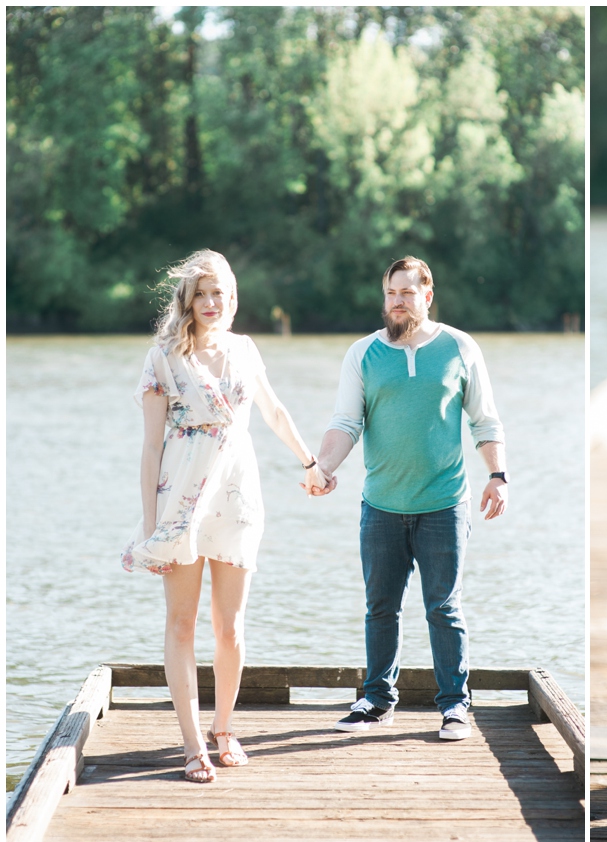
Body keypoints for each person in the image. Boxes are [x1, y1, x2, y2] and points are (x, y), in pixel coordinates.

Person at [123, 249, 325, 783]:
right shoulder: (163, 357)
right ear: (187, 301)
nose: (212, 302)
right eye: (202, 294)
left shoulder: (244, 350)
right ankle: (192, 746)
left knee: (230, 627)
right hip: (180, 501)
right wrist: (151, 527)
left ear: (232, 298)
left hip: (237, 498)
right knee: (181, 623)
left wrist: (310, 463)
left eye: (221, 293)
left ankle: (224, 727)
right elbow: (149, 449)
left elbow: (275, 411)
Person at [310, 256, 507, 742]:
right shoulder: (363, 353)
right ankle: (377, 701)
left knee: (444, 608)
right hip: (381, 507)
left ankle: (455, 707)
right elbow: (345, 421)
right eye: (391, 294)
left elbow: (485, 419)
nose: (397, 302)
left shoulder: (459, 347)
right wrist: (324, 467)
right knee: (380, 608)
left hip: (444, 504)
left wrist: (498, 475)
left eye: (406, 293)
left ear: (427, 295)